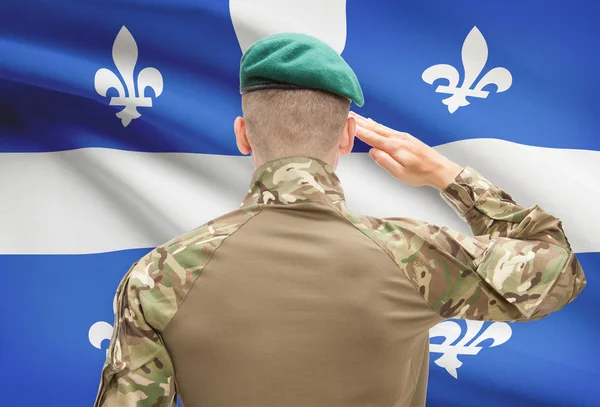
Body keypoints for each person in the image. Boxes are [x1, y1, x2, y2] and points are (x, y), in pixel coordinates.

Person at [94, 33, 586, 407]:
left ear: (243, 135)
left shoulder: (159, 275)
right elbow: (558, 269)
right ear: (349, 137)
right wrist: (447, 176)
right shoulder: (415, 255)